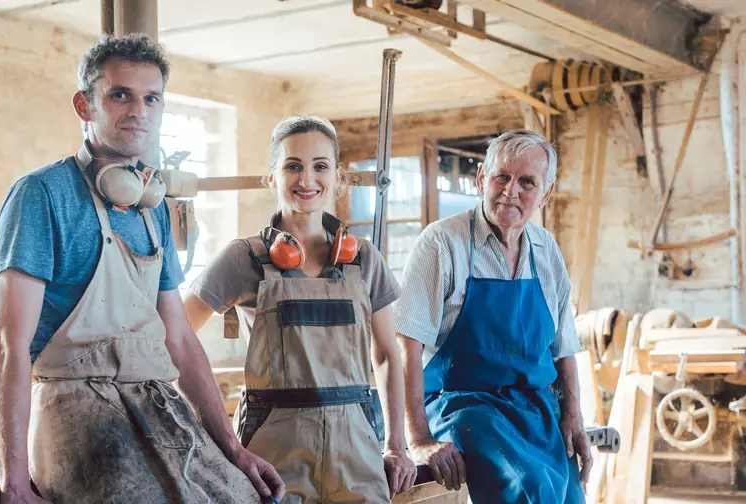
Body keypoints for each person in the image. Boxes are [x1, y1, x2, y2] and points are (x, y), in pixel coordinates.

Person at [0, 33, 284, 504]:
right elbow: (10, 347)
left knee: (248, 497)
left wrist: (234, 450)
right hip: (77, 407)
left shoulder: (154, 209)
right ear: (85, 105)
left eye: (152, 98)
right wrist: (15, 484)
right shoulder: (42, 195)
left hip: (155, 402)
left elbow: (181, 340)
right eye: (120, 94)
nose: (138, 111)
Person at [183, 115, 417, 503]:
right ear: (271, 176)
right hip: (273, 454)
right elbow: (175, 335)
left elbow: (388, 354)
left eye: (320, 166)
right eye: (293, 166)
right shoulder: (244, 258)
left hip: (357, 450)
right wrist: (222, 437)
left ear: (337, 176)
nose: (307, 180)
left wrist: (396, 444)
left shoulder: (364, 260)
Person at [394, 130, 592, 503]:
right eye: (502, 176)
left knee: (570, 495)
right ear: (481, 177)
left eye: (527, 182)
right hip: (465, 405)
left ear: (545, 194)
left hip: (535, 409)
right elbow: (406, 349)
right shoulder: (442, 243)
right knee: (525, 486)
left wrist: (573, 417)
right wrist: (418, 439)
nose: (510, 191)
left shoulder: (546, 249)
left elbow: (564, 345)